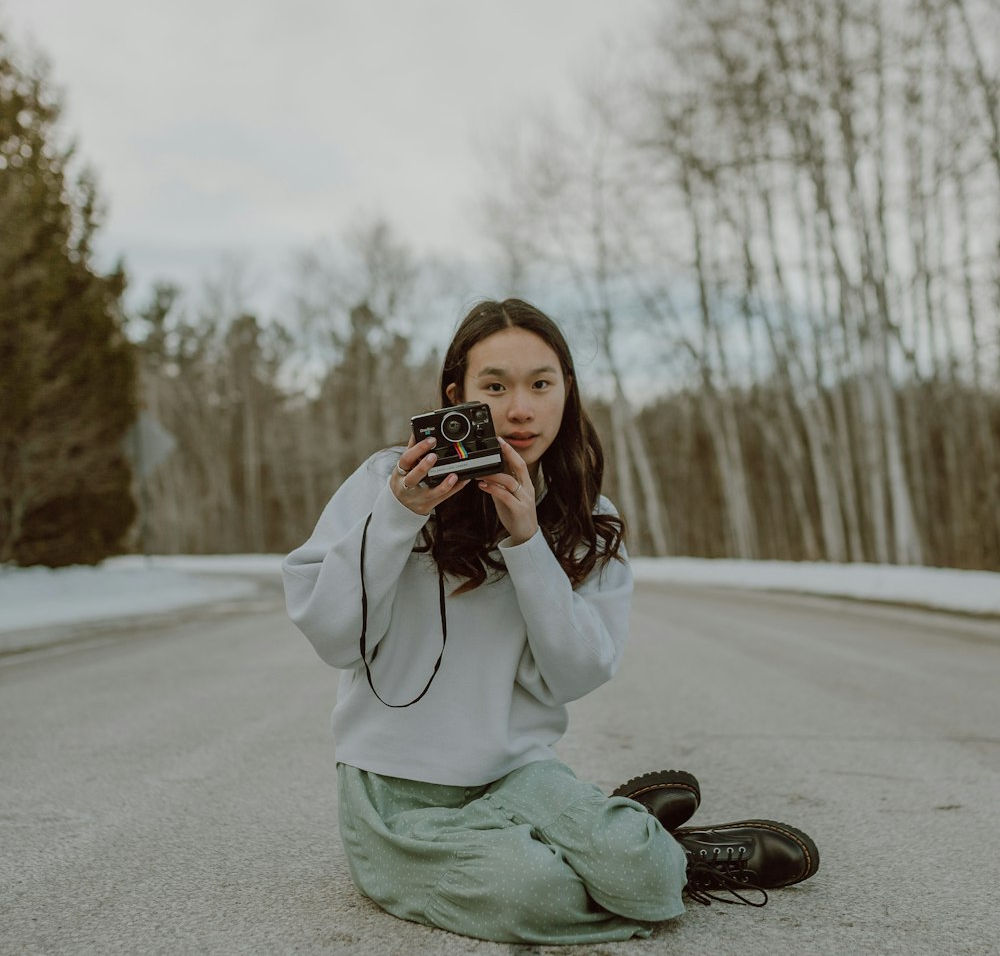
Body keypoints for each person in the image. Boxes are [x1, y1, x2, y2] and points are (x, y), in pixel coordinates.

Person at [282, 298, 819, 943]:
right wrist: (400, 515)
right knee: (536, 893)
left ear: (567, 390)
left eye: (541, 383)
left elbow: (577, 672)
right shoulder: (384, 482)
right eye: (495, 386)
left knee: (649, 881)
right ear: (457, 396)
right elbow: (335, 635)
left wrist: (528, 542)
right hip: (398, 797)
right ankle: (618, 835)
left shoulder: (587, 518)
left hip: (518, 776)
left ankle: (651, 853)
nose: (520, 409)